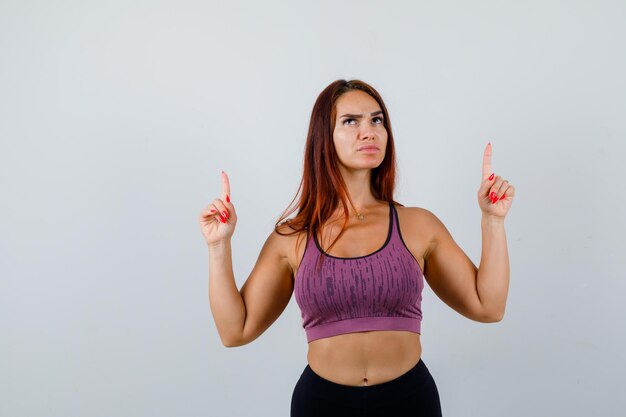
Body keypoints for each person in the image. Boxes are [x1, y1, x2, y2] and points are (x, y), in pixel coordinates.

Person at [199, 79, 515, 416]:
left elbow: (488, 307)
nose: (369, 132)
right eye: (351, 121)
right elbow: (235, 331)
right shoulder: (293, 237)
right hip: (321, 404)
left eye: (377, 120)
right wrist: (219, 245)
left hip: (410, 401)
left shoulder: (418, 225)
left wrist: (492, 220)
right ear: (325, 137)